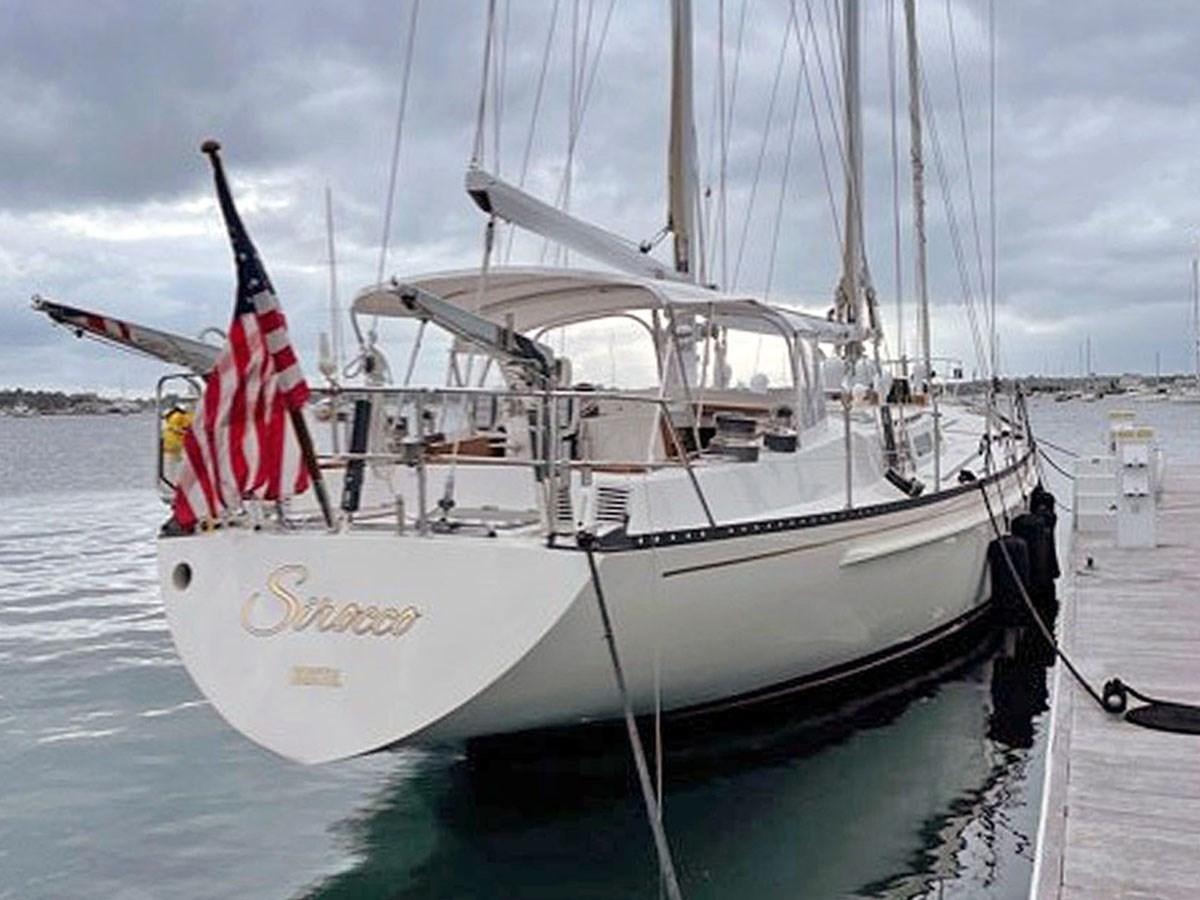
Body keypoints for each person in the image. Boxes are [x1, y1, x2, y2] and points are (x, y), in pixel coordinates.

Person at [161, 404, 194, 490]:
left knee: (172, 467)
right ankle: (178, 485)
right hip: (176, 445)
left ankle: (173, 484)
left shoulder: (172, 417)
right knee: (178, 465)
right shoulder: (179, 417)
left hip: (170, 445)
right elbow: (178, 428)